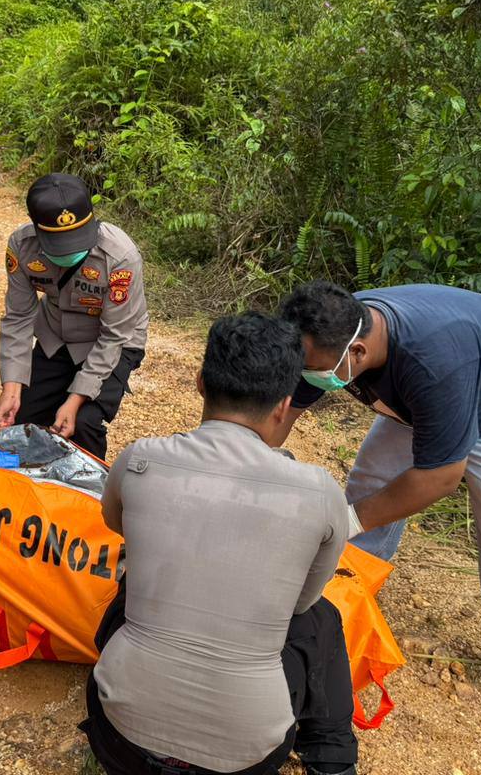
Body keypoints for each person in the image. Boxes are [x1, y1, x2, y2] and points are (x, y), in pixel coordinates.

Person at [279, 280, 481, 740]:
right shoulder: (329, 329)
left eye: (314, 369)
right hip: (433, 397)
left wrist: (349, 521)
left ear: (356, 353)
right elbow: (281, 412)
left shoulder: (433, 363)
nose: (308, 375)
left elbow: (438, 477)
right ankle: (349, 596)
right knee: (371, 484)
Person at [81, 312, 358, 775]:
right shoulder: (320, 492)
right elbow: (301, 602)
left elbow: (116, 523)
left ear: (199, 383)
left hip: (120, 741)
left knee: (138, 582)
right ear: (283, 406)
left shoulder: (140, 459)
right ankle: (332, 760)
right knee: (321, 617)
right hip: (245, 759)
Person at [0, 173, 147, 458]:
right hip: (57, 336)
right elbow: (19, 318)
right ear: (37, 229)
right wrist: (12, 387)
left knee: (84, 424)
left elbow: (114, 335)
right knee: (23, 421)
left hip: (115, 340)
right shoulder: (22, 247)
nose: (70, 251)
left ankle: (91, 496)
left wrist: (74, 400)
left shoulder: (120, 256)